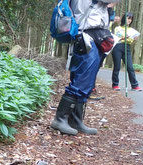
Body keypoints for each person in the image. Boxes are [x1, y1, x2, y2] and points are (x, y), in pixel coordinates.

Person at [51, 0, 119, 135]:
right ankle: (60, 119)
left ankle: (75, 120)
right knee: (83, 78)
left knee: (87, 81)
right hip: (86, 34)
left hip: (97, 34)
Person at [111, 12, 143, 91]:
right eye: (128, 18)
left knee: (130, 67)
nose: (129, 20)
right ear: (124, 18)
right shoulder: (117, 28)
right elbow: (117, 37)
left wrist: (133, 39)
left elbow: (130, 40)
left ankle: (134, 85)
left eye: (131, 19)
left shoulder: (132, 30)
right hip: (117, 47)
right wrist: (124, 38)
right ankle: (115, 84)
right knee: (117, 66)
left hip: (127, 47)